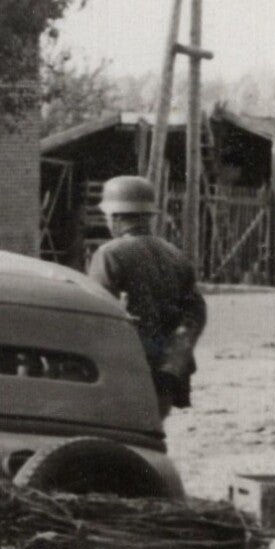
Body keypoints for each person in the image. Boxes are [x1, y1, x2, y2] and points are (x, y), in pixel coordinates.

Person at [87, 174, 208, 418]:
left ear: (116, 217)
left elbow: (96, 311)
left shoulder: (109, 254)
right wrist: (176, 357)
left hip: (126, 365)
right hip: (169, 368)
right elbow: (196, 312)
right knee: (154, 433)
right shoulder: (175, 254)